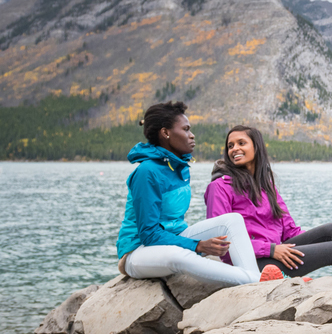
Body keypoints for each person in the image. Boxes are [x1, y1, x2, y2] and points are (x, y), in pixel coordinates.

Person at [117, 101, 276, 286]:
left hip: (175, 237)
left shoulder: (179, 168)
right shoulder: (147, 172)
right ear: (166, 133)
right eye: (185, 129)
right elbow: (149, 234)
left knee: (232, 220)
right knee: (178, 256)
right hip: (139, 251)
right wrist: (197, 246)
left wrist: (195, 244)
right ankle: (260, 282)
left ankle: (251, 277)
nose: (192, 135)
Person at [205, 124, 332, 278]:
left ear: (256, 147)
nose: (234, 149)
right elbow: (222, 245)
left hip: (276, 253)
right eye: (230, 146)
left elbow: (290, 232)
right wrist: (271, 249)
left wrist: (329, 241)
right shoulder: (219, 187)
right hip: (251, 263)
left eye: (241, 143)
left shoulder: (266, 187)